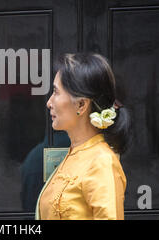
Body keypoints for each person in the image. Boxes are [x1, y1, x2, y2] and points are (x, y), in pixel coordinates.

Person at [36, 53, 130, 220]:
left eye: (56, 92)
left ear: (81, 104)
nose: (49, 102)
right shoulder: (74, 155)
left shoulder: (101, 162)